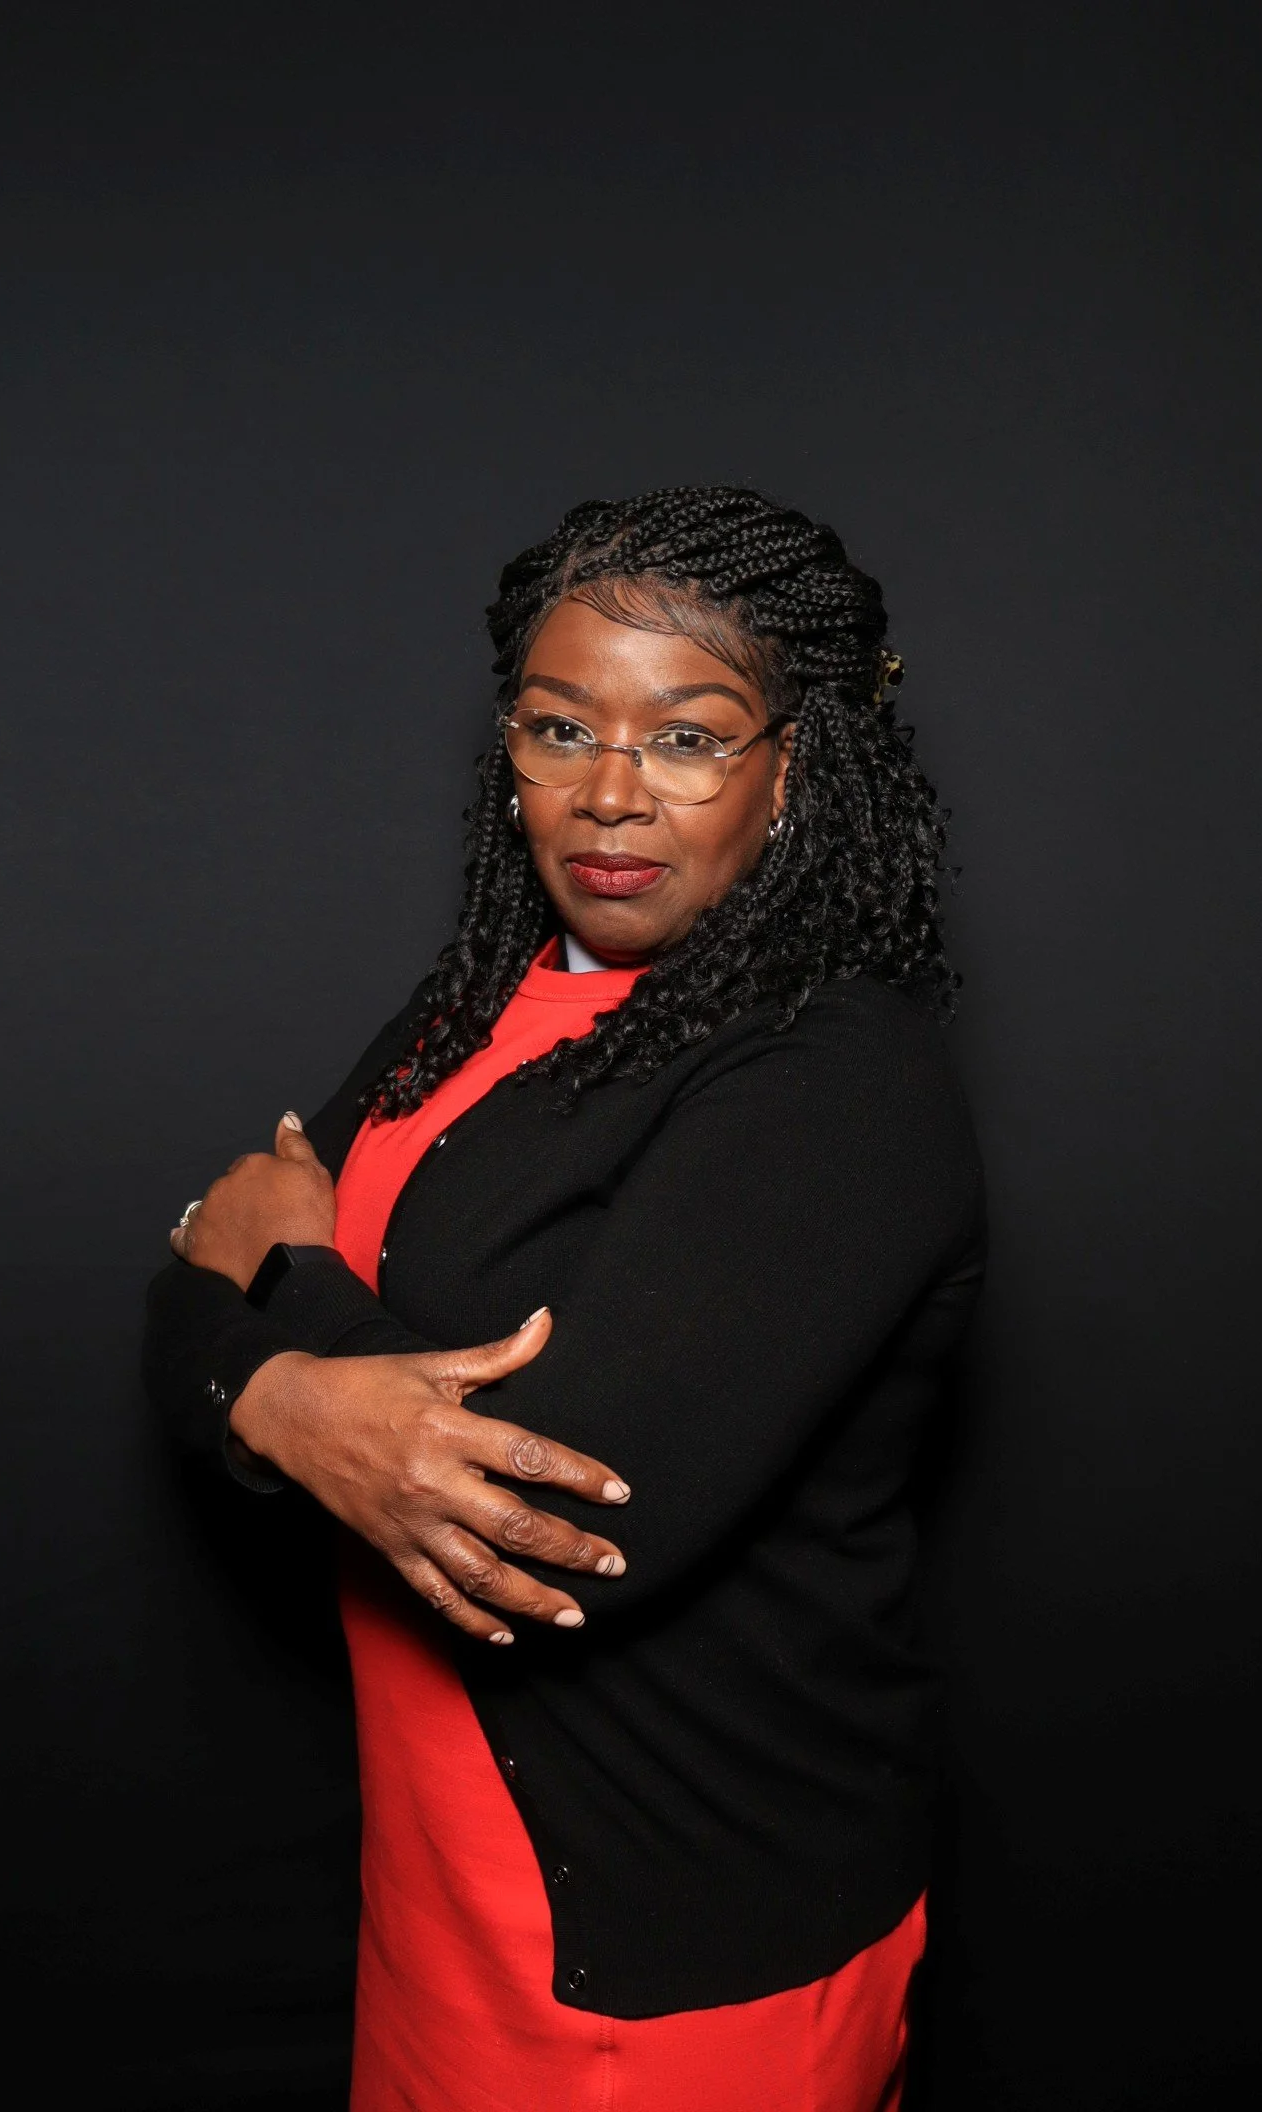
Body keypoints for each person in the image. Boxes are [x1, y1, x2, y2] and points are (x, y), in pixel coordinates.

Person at [143, 485, 985, 2112]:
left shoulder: (838, 1075)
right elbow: (201, 1265)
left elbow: (569, 1506)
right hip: (447, 1895)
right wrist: (261, 1355)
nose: (608, 796)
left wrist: (270, 1330)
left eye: (686, 739)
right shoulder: (479, 997)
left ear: (796, 764)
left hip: (681, 1938)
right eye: (556, 729)